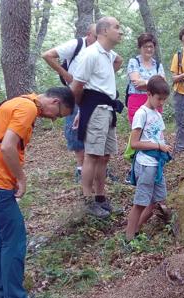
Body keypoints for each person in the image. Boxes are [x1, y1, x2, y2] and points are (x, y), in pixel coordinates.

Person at [0, 87, 75, 298]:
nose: (54, 119)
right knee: (15, 240)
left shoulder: (23, 102)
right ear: (55, 101)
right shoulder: (27, 108)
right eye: (58, 114)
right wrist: (21, 178)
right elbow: (7, 146)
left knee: (4, 240)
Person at [70, 17, 124, 217]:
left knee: (105, 156)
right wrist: (82, 110)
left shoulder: (108, 54)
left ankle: (101, 198)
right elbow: (76, 87)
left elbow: (119, 61)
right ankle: (87, 200)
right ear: (103, 31)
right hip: (95, 110)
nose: (120, 31)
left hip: (108, 109)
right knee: (92, 155)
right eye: (116, 27)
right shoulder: (90, 54)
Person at [41, 24, 97, 183]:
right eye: (95, 36)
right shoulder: (76, 45)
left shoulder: (101, 49)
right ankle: (81, 169)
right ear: (88, 34)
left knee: (94, 129)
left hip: (93, 94)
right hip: (74, 93)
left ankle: (96, 168)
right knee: (75, 129)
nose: (97, 40)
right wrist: (67, 75)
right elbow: (47, 55)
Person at [125, 76, 172, 240]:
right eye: (159, 99)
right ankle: (129, 237)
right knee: (140, 203)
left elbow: (159, 136)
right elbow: (135, 143)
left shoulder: (157, 115)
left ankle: (137, 229)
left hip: (156, 164)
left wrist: (163, 149)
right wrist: (158, 146)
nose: (161, 103)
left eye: (164, 100)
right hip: (145, 164)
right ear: (149, 94)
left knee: (157, 200)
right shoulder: (141, 114)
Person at [126, 33, 165, 123]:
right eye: (145, 46)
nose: (149, 49)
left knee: (154, 131)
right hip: (136, 100)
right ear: (140, 48)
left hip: (155, 101)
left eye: (151, 46)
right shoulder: (134, 62)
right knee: (138, 130)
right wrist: (154, 84)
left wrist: (145, 82)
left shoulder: (158, 65)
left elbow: (162, 86)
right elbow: (137, 83)